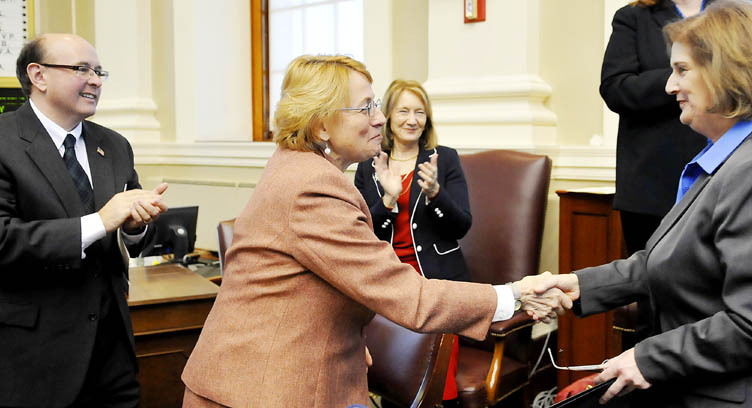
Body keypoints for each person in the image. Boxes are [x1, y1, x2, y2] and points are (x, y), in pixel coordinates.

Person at [180, 55, 571, 407]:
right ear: (320, 126)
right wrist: (514, 295)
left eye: (377, 104)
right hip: (265, 388)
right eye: (366, 107)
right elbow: (410, 296)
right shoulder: (313, 187)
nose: (381, 119)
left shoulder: (294, 167)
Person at [537, 1, 752, 406]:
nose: (668, 87)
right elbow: (663, 261)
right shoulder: (725, 159)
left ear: (725, 71)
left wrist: (646, 357)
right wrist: (578, 285)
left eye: (681, 71)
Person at [0, 34, 169, 407]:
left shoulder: (115, 145)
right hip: (33, 357)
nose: (95, 80)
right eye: (81, 69)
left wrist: (135, 225)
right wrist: (100, 220)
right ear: (38, 75)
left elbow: (131, 232)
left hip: (112, 353)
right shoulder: (4, 141)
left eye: (98, 71)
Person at [600, 0, 713, 343]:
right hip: (649, 184)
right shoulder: (633, 16)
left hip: (721, 169)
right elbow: (616, 88)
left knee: (712, 295)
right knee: (652, 302)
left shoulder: (737, 7)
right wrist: (687, 73)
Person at [354, 79, 467, 405]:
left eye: (420, 112)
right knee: (391, 368)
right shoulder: (368, 165)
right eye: (403, 110)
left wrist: (435, 194)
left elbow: (461, 226)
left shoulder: (444, 159)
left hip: (436, 279)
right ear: (388, 116)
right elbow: (362, 232)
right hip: (386, 279)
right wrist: (388, 200)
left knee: (430, 366)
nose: (412, 119)